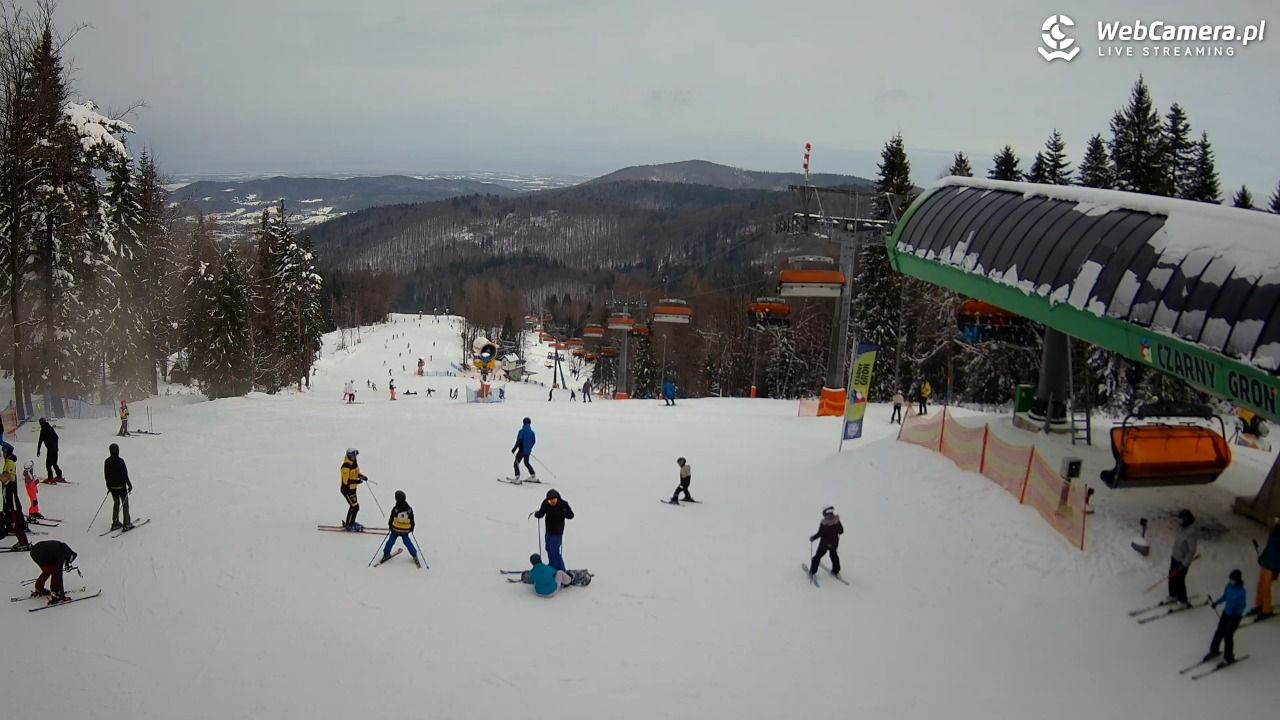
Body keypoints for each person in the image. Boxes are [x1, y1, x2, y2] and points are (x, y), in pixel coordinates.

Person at [1204, 569, 1248, 664]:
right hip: (1226, 613)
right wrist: (1216, 603)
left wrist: (1235, 615)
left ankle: (1228, 657)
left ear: (1237, 580)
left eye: (1233, 580)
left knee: (1228, 636)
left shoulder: (1242, 592)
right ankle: (1214, 650)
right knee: (1219, 631)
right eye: (1230, 579)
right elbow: (1225, 597)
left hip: (1235, 618)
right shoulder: (1228, 586)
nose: (1231, 581)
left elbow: (1242, 606)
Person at [534, 489, 574, 571]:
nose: (552, 503)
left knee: (554, 550)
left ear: (557, 498)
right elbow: (541, 512)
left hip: (557, 532)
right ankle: (557, 567)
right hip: (548, 531)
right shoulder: (545, 503)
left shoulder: (563, 504)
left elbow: (571, 515)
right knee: (548, 548)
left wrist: (565, 512)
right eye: (550, 501)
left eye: (554, 500)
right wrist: (538, 514)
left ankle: (555, 568)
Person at [28, 540, 77, 604]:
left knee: (47, 571)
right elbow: (59, 574)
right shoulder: (61, 554)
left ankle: (39, 588)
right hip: (41, 555)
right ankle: (56, 595)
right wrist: (62, 594)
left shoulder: (62, 547)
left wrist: (66, 564)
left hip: (35, 552)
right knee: (55, 572)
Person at [1251, 516, 1280, 620]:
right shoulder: (1274, 531)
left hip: (1273, 565)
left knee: (1266, 587)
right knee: (1260, 585)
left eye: (1278, 519)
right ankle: (1259, 605)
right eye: (1276, 519)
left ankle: (1266, 609)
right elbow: (1269, 546)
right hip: (1267, 562)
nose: (1276, 521)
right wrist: (1263, 555)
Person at [382, 490, 421, 567]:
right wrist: (411, 528)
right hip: (405, 530)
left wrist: (390, 526)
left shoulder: (395, 509)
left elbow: (391, 518)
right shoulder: (409, 509)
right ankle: (414, 554)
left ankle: (386, 553)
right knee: (407, 542)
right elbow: (412, 520)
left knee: (390, 541)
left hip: (395, 529)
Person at [1169, 509, 1199, 606]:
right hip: (1175, 557)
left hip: (1182, 561)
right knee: (1172, 576)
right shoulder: (1183, 527)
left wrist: (1184, 564)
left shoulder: (1191, 532)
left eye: (1180, 520)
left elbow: (1191, 551)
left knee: (1179, 580)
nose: (1179, 522)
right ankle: (1173, 595)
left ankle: (1183, 600)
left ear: (1186, 519)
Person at [1, 449, 30, 550]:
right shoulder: (5, 485)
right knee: (16, 527)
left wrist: (12, 515)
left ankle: (24, 544)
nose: (1, 478)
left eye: (3, 476)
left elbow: (13, 501)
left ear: (7, 477)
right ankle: (22, 542)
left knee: (17, 527)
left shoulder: (10, 486)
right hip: (11, 509)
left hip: (14, 510)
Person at [808, 505, 844, 578]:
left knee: (817, 557)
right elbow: (841, 531)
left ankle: (812, 572)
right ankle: (836, 570)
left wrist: (813, 538)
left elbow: (820, 533)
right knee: (833, 555)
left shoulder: (824, 523)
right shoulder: (837, 521)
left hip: (824, 544)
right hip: (834, 543)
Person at [104, 443, 133, 531]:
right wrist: (129, 484)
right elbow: (125, 474)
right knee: (125, 504)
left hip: (113, 488)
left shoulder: (107, 461)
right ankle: (126, 524)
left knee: (116, 503)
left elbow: (106, 475)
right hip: (121, 488)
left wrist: (108, 487)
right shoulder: (120, 461)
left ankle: (115, 523)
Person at [340, 448, 366, 531]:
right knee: (355, 507)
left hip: (353, 489)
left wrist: (361, 476)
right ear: (349, 456)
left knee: (354, 507)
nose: (355, 457)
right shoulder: (345, 467)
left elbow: (355, 473)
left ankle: (351, 523)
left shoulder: (354, 463)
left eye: (356, 455)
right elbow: (346, 482)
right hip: (347, 490)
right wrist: (357, 481)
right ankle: (350, 524)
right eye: (353, 455)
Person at [512, 417, 536, 481]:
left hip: (522, 450)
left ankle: (517, 477)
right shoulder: (532, 432)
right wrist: (529, 448)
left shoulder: (521, 431)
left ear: (523, 423)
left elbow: (519, 440)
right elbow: (534, 441)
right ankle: (533, 475)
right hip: (528, 451)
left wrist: (514, 448)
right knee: (526, 462)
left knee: (516, 463)